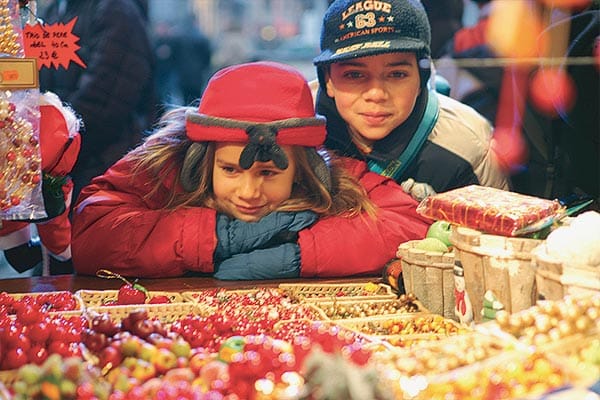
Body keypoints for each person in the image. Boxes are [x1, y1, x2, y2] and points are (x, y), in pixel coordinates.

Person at [71, 61, 431, 280]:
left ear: (305, 170)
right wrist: (211, 237)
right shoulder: (165, 162)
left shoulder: (332, 174)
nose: (248, 193)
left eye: (269, 173)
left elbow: (410, 223)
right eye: (230, 170)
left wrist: (305, 253)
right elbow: (91, 230)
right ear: (201, 161)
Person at [312, 0, 510, 201]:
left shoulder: (467, 144)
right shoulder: (296, 133)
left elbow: (501, 225)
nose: (376, 94)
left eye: (397, 74)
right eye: (354, 75)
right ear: (327, 79)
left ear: (422, 77)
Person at [38, 0, 156, 202]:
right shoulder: (56, 9)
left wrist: (56, 152)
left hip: (100, 168)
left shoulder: (116, 11)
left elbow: (104, 102)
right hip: (61, 165)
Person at [0, 92, 81, 275]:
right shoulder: (54, 119)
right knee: (58, 239)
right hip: (49, 186)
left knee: (21, 248)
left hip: (17, 189)